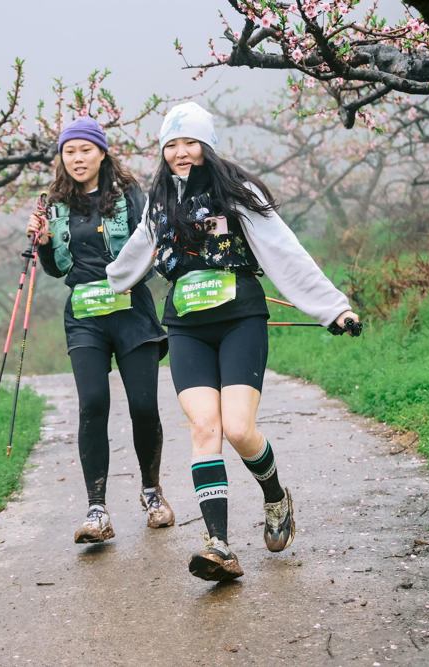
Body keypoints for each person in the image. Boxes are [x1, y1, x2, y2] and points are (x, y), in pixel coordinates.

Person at [106, 102, 360, 581]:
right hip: (186, 326)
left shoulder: (236, 192)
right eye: (172, 145)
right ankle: (218, 544)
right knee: (205, 427)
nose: (181, 152)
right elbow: (134, 254)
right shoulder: (159, 201)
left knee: (240, 430)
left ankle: (275, 496)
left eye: (190, 142)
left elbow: (285, 251)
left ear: (207, 144)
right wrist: (107, 280)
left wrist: (333, 308)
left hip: (240, 319)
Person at [27, 116, 174, 544]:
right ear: (62, 157)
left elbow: (149, 247)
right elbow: (57, 269)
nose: (77, 158)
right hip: (85, 314)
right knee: (92, 403)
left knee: (143, 406)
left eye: (85, 150)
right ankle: (96, 510)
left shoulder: (129, 194)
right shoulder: (55, 204)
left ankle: (152, 492)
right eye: (69, 151)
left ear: (102, 153)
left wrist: (129, 278)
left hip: (131, 311)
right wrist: (42, 244)